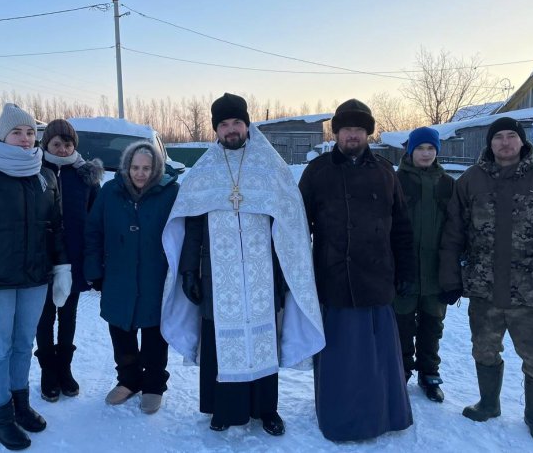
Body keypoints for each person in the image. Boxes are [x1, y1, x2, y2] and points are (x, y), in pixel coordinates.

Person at [161, 93, 325, 436]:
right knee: (217, 340)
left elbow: (288, 224)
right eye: (224, 124)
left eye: (237, 122)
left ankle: (267, 409)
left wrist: (285, 271)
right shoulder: (203, 172)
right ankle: (222, 409)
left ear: (247, 125)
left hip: (262, 275)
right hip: (216, 275)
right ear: (216, 130)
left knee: (263, 337)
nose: (231, 129)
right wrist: (189, 271)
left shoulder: (270, 167)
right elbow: (191, 225)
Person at [439, 116, 533, 443]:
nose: (505, 142)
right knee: (484, 350)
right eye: (498, 137)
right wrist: (450, 279)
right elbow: (452, 234)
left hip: (532, 292)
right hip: (484, 290)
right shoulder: (471, 180)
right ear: (490, 143)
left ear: (522, 141)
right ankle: (488, 403)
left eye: (511, 136)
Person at [0, 103, 71, 451]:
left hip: (35, 279)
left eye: (30, 132)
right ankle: (1, 418)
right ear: (3, 135)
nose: (25, 138)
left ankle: (21, 404)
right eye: (17, 132)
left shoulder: (45, 176)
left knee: (23, 345)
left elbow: (55, 228)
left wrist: (61, 267)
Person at [298, 98, 416, 442]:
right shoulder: (317, 172)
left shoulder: (385, 172)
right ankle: (340, 418)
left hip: (376, 279)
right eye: (347, 129)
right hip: (334, 279)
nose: (353, 135)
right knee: (340, 357)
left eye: (360, 129)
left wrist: (406, 271)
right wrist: (298, 276)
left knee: (378, 358)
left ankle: (384, 414)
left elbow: (402, 227)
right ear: (336, 133)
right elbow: (297, 227)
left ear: (368, 134)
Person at [84, 141, 179, 414]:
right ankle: (129, 380)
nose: (140, 173)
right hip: (118, 276)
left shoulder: (171, 193)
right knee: (121, 332)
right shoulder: (110, 192)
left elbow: (182, 232)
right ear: (126, 167)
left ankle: (153, 384)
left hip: (156, 276)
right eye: (135, 167)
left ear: (156, 168)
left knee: (154, 334)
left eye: (146, 168)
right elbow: (93, 231)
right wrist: (94, 270)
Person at [34, 119, 104, 402]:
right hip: (42, 257)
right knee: (44, 316)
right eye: (56, 144)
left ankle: (64, 368)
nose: (62, 149)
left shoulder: (85, 177)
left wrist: (94, 258)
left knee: (68, 315)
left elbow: (97, 219)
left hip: (74, 257)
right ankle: (47, 371)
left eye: (68, 144)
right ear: (46, 145)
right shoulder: (34, 171)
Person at [393, 126, 455, 403]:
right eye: (420, 148)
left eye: (431, 148)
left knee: (432, 326)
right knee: (402, 326)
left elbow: (457, 228)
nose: (426, 153)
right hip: (404, 270)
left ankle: (429, 374)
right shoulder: (395, 181)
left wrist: (453, 272)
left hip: (435, 271)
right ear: (410, 151)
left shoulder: (448, 184)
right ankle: (401, 371)